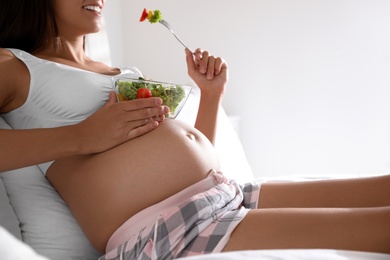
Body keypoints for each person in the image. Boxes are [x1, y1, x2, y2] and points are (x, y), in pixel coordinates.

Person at [0, 0, 389, 259]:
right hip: (169, 230)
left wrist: (211, 96)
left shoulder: (120, 73)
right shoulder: (15, 66)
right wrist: (83, 137)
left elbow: (193, 161)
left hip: (219, 193)